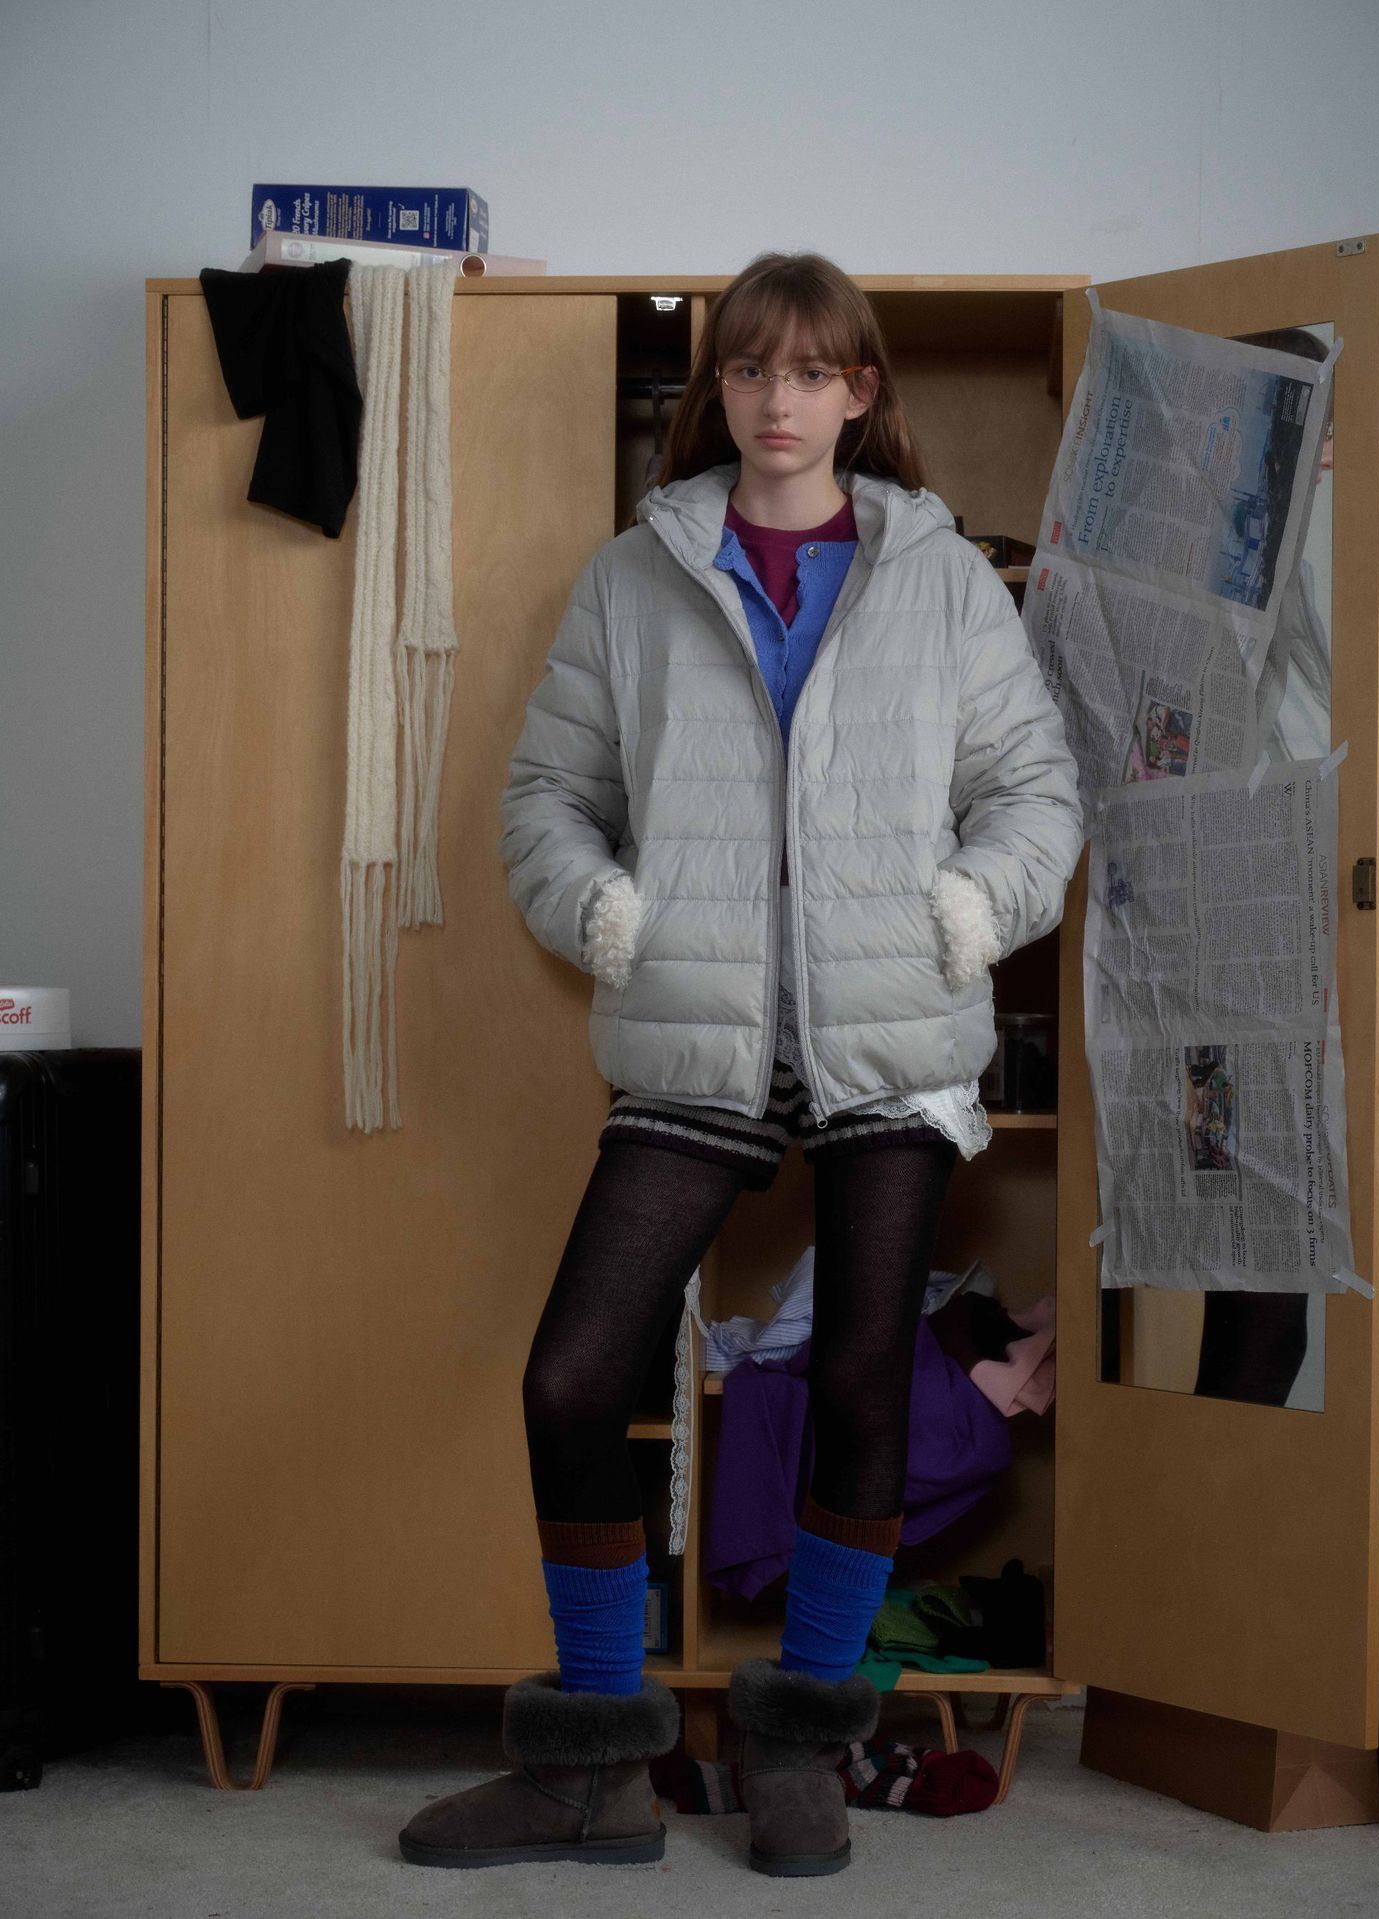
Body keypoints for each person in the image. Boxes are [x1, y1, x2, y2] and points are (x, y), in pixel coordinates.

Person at [398, 251, 1084, 1877]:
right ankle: (597, 1768)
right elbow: (542, 801)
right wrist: (606, 910)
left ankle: (802, 1745)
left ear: (861, 394)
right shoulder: (635, 577)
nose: (780, 400)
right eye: (752, 369)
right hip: (695, 1025)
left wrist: (972, 906)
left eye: (813, 371)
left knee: (861, 1380)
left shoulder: (943, 581)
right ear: (721, 390)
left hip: (888, 1034)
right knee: (574, 1378)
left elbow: (1035, 791)